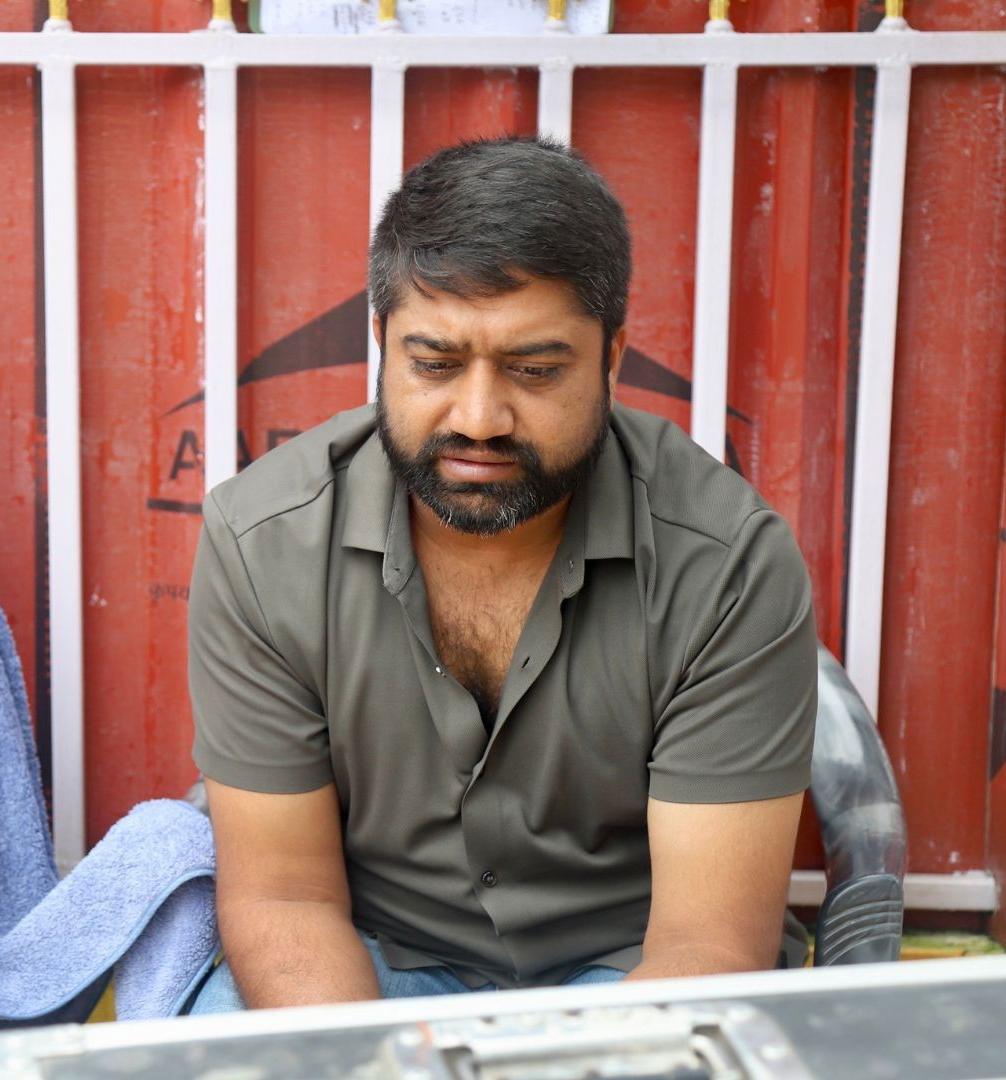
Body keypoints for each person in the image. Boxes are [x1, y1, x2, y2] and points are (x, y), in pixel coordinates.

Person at [186, 136, 818, 1013]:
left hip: (632, 979)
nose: (480, 417)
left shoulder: (728, 564)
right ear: (380, 341)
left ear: (613, 356)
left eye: (535, 371)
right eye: (434, 365)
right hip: (370, 965)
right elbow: (286, 899)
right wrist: (371, 1065)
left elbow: (708, 942)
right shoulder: (263, 544)